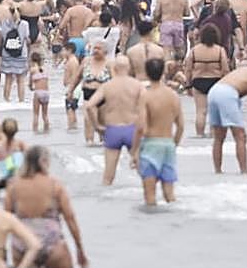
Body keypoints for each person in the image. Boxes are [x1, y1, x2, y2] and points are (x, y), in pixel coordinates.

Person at [3, 146, 87, 268]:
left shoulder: (13, 185)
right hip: (52, 242)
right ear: (44, 162)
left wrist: (0, 250)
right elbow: (70, 218)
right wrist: (79, 249)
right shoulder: (55, 184)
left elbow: (4, 220)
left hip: (22, 243)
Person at [131, 57, 183, 205]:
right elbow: (180, 126)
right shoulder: (173, 96)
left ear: (146, 73)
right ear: (163, 72)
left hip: (151, 146)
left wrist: (135, 151)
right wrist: (174, 144)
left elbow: (141, 127)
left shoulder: (145, 96)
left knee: (150, 196)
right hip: (167, 144)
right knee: (169, 195)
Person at [89, 55, 143, 185]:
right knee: (144, 173)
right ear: (129, 67)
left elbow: (90, 106)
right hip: (132, 130)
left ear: (114, 68)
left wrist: (97, 126)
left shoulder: (107, 86)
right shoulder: (137, 85)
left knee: (108, 177)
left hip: (113, 130)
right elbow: (147, 107)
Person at [183, 24, 229, 137]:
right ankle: (213, 134)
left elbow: (188, 69)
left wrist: (188, 85)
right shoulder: (219, 50)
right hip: (216, 82)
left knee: (200, 111)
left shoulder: (194, 51)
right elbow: (225, 69)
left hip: (198, 82)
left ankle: (199, 134)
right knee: (214, 111)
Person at [28, 54, 50, 132]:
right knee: (45, 115)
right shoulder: (45, 69)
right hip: (46, 93)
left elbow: (30, 84)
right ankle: (47, 130)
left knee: (36, 115)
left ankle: (35, 131)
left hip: (38, 93)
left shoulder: (32, 70)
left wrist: (31, 88)